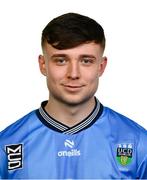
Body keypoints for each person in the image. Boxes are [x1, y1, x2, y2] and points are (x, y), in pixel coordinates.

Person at [0, 12, 147, 179]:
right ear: (43, 65)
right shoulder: (6, 145)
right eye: (61, 60)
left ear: (101, 66)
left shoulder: (138, 143)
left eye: (86, 61)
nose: (74, 74)